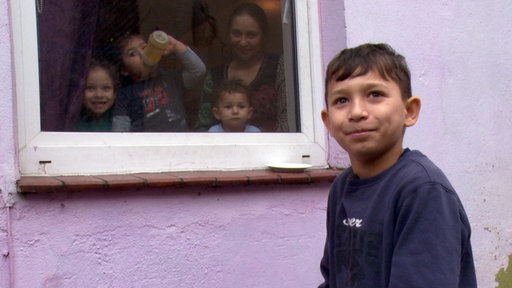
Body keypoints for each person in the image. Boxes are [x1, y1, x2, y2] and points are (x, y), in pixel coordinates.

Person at [318, 43, 476, 287]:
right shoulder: (341, 188)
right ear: (328, 122)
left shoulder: (423, 190)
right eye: (341, 100)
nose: (357, 112)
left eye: (375, 95)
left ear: (409, 111)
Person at [195, 2, 288, 132]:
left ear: (264, 36)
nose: (243, 42)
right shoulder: (215, 76)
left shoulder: (279, 67)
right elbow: (202, 129)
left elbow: (288, 121)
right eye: (237, 34)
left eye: (251, 35)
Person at [112, 31, 206, 132]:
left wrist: (176, 46)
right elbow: (120, 132)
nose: (142, 53)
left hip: (178, 141)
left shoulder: (171, 79)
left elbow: (198, 71)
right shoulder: (126, 94)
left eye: (144, 48)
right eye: (132, 54)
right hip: (150, 145)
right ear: (124, 70)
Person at [75, 59, 119, 132]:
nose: (99, 95)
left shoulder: (120, 120)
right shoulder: (72, 122)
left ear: (115, 93)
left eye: (106, 88)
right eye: (90, 88)